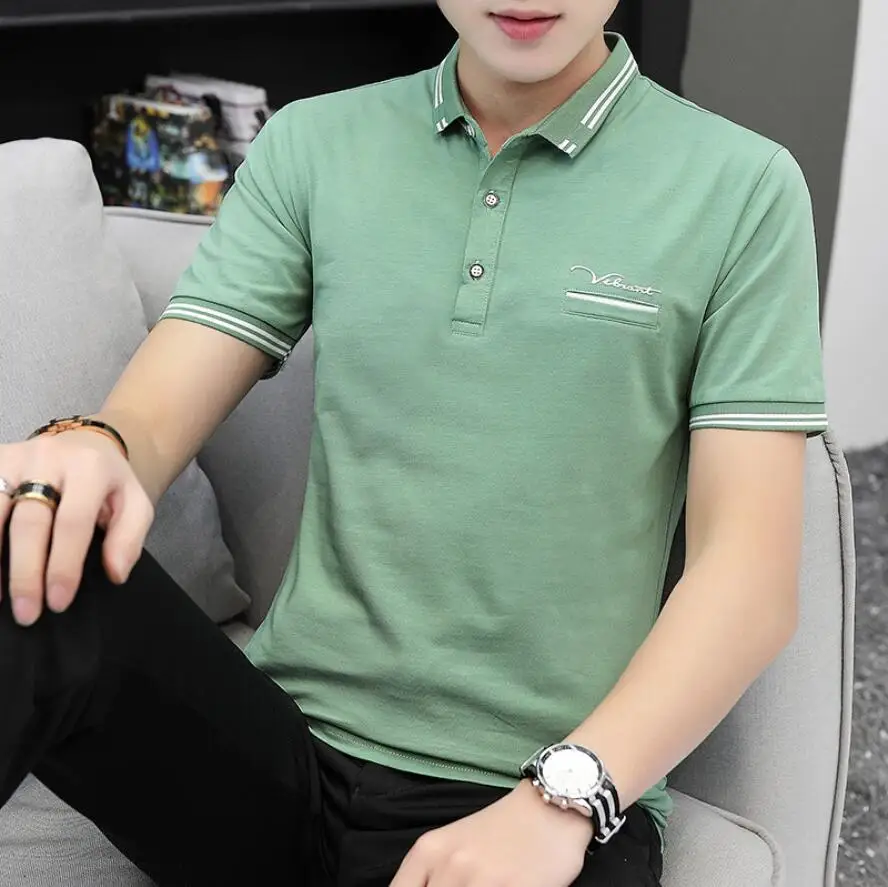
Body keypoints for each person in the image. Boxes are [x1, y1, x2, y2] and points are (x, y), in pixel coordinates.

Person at [0, 1, 827, 885]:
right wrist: (93, 444)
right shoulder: (315, 144)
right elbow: (151, 420)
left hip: (534, 804)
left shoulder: (743, 187)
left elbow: (747, 575)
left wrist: (562, 799)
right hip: (280, 764)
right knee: (21, 539)